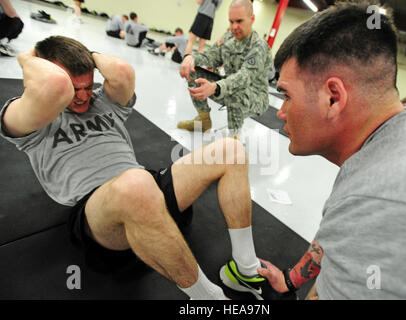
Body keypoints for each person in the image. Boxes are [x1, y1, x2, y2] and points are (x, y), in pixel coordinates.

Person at [0, 35, 271, 300]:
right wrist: (27, 57)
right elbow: (53, 86)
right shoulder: (32, 119)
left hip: (146, 189)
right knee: (135, 183)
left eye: (87, 86)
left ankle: (245, 269)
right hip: (98, 212)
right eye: (74, 89)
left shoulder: (103, 100)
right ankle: (208, 299)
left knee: (230, 150)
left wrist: (85, 55)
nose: (82, 96)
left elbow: (121, 71)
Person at [258, 1, 406, 299]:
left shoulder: (377, 201)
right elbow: (332, 236)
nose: (281, 111)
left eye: (286, 95)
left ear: (333, 97)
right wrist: (291, 280)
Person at [178, 0, 272, 136]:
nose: (234, 26)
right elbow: (211, 56)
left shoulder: (259, 46)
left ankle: (233, 138)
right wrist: (191, 58)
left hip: (255, 96)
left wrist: (216, 87)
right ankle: (203, 120)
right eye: (231, 21)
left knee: (236, 92)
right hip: (227, 86)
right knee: (195, 72)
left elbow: (244, 77)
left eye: (239, 21)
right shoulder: (228, 38)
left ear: (252, 19)